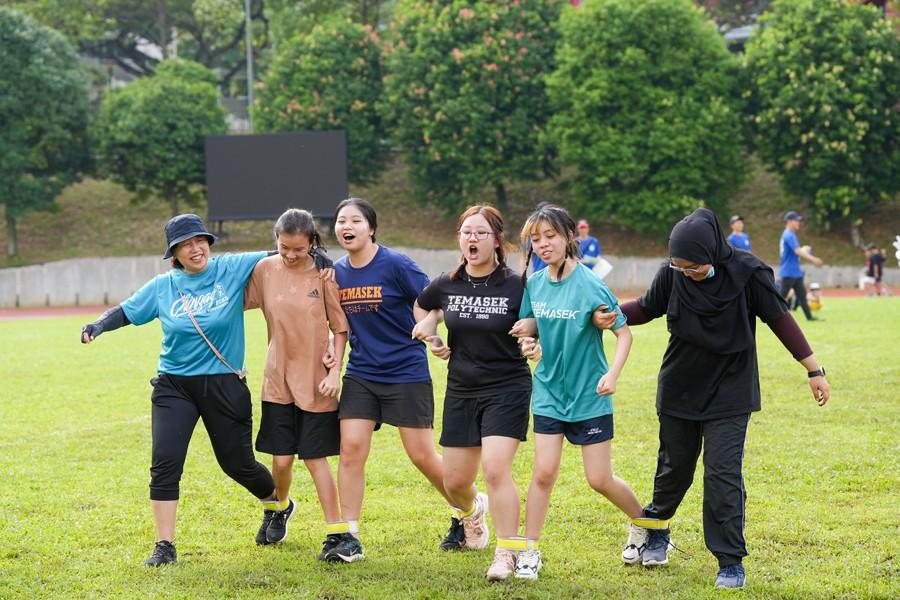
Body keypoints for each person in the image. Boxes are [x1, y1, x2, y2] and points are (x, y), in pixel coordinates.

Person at [616, 207, 830, 589]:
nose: (687, 273)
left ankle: (730, 561)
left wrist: (813, 370)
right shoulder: (673, 272)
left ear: (712, 252)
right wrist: (610, 314)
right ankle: (658, 530)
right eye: (680, 267)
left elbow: (780, 319)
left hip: (731, 388)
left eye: (694, 267)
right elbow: (647, 308)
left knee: (722, 475)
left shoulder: (748, 273)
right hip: (680, 386)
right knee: (673, 469)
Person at [80, 214, 280, 567]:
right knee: (165, 463)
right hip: (175, 385)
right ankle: (165, 545)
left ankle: (276, 505)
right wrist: (98, 325)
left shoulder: (231, 268)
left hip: (224, 382)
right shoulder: (164, 286)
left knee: (238, 464)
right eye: (185, 245)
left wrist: (314, 254)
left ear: (208, 243)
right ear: (174, 253)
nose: (195, 248)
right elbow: (126, 311)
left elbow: (282, 252)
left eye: (199, 240)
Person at [325, 197, 467, 563]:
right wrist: (330, 353)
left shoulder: (396, 264)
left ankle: (468, 510)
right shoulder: (336, 273)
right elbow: (337, 324)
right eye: (341, 221)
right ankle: (349, 536)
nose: (347, 227)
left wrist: (432, 330)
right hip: (361, 373)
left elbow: (434, 301)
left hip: (405, 371)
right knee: (350, 450)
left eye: (355, 220)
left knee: (421, 455)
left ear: (371, 227)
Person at [512, 204, 644, 581]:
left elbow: (624, 334)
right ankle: (529, 552)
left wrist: (613, 375)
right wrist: (529, 344)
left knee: (599, 479)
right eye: (536, 239)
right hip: (549, 391)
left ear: (569, 236)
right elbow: (531, 327)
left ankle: (647, 526)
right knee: (543, 473)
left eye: (550, 236)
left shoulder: (590, 284)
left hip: (589, 395)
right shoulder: (535, 283)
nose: (542, 245)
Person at [412, 205, 532, 581]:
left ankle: (507, 553)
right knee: (454, 482)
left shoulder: (517, 284)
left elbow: (537, 320)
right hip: (461, 389)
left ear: (497, 240)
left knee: (496, 470)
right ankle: (473, 511)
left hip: (507, 387)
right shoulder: (447, 283)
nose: (472, 239)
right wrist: (432, 331)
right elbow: (422, 306)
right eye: (466, 233)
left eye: (480, 233)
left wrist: (532, 334)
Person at [244, 209, 350, 558]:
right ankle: (279, 508)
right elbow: (233, 304)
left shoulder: (324, 274)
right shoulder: (264, 269)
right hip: (277, 380)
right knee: (281, 460)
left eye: (299, 249)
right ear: (276, 241)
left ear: (312, 243)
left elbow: (340, 327)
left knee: (316, 459)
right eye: (284, 247)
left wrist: (334, 372)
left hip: (317, 383)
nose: (290, 255)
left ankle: (336, 533)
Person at [779, 211, 824, 321]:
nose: (798, 222)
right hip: (789, 271)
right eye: (796, 220)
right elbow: (797, 251)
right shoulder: (789, 235)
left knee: (802, 295)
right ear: (789, 221)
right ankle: (768, 314)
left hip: (794, 271)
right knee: (781, 297)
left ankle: (809, 317)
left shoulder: (790, 234)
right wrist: (813, 259)